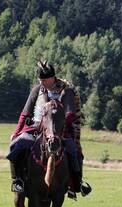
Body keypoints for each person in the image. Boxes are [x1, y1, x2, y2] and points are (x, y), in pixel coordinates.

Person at [7, 60, 91, 199]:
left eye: (44, 80)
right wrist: (16, 132)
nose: (42, 83)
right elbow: (25, 113)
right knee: (16, 146)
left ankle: (76, 184)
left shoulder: (66, 91)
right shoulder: (37, 90)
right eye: (40, 80)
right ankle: (17, 180)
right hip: (36, 128)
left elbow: (70, 114)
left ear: (52, 78)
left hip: (59, 131)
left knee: (74, 151)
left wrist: (57, 129)